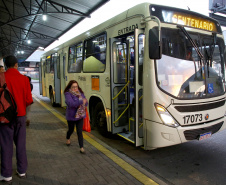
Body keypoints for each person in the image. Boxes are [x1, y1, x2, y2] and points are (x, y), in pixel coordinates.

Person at [0, 56, 33, 182]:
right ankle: (22, 171)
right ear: (16, 65)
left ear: (6, 65)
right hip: (20, 116)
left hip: (5, 117)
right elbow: (29, 100)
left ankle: (6, 174)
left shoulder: (1, 77)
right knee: (20, 144)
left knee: (6, 144)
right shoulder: (24, 79)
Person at [64, 80, 88, 153]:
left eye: (76, 87)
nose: (75, 88)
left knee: (79, 131)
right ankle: (68, 137)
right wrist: (81, 101)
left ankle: (81, 147)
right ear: (70, 87)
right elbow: (71, 104)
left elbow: (86, 103)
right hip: (71, 116)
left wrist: (85, 103)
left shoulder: (80, 93)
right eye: (73, 87)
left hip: (80, 116)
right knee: (71, 130)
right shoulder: (67, 94)